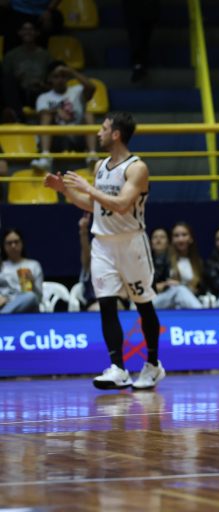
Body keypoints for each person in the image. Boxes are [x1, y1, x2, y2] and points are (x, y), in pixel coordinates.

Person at [44, 111, 165, 391]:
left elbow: (121, 204)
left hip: (131, 243)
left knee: (143, 304)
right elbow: (94, 205)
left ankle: (153, 365)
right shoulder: (100, 165)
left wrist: (88, 188)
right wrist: (65, 191)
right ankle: (118, 368)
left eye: (103, 128)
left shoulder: (136, 168)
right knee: (106, 305)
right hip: (102, 243)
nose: (98, 132)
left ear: (116, 134)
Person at [33, 61, 97, 172]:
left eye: (63, 76)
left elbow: (91, 87)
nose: (60, 80)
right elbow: (42, 114)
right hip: (56, 138)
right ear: (50, 79)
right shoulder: (43, 97)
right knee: (47, 116)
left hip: (77, 136)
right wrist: (56, 111)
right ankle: (45, 157)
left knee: (88, 114)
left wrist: (71, 72)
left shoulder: (77, 90)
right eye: (56, 76)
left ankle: (92, 155)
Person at [1, 21, 52, 121]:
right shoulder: (11, 55)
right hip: (18, 95)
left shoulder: (46, 55)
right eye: (24, 29)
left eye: (31, 29)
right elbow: (4, 80)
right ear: (19, 33)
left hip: (39, 93)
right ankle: (19, 116)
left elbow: (53, 79)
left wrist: (42, 85)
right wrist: (16, 79)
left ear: (37, 33)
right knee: (7, 81)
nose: (28, 32)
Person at [152, 221, 204, 310]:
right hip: (161, 299)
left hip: (184, 303)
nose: (180, 239)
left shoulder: (197, 262)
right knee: (179, 290)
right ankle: (202, 314)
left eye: (184, 235)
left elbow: (202, 288)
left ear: (191, 238)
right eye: (176, 236)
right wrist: (165, 285)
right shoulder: (163, 259)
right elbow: (149, 287)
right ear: (172, 239)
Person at [0, 228, 43, 314]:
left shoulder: (33, 265)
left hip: (27, 306)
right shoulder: (1, 266)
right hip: (4, 305)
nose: (13, 246)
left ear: (22, 243)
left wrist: (33, 284)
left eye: (16, 242)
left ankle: (3, 316)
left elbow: (38, 298)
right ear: (4, 246)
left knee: (30, 296)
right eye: (9, 243)